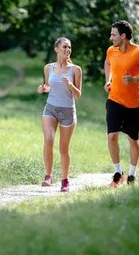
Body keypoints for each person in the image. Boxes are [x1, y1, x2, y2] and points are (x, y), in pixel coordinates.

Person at [104, 20, 139, 187]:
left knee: (133, 140)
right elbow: (107, 63)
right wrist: (108, 80)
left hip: (133, 104)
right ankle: (118, 173)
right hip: (114, 100)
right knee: (112, 136)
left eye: (113, 34)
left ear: (123, 36)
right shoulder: (111, 51)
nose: (110, 37)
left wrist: (134, 79)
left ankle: (132, 175)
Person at [37, 37, 82, 192]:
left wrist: (70, 85)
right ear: (56, 49)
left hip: (68, 112)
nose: (67, 50)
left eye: (69, 47)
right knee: (48, 139)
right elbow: (49, 86)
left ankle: (64, 180)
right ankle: (48, 176)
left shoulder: (75, 70)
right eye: (64, 47)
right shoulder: (48, 68)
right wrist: (43, 88)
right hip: (50, 108)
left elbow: (78, 95)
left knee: (64, 149)